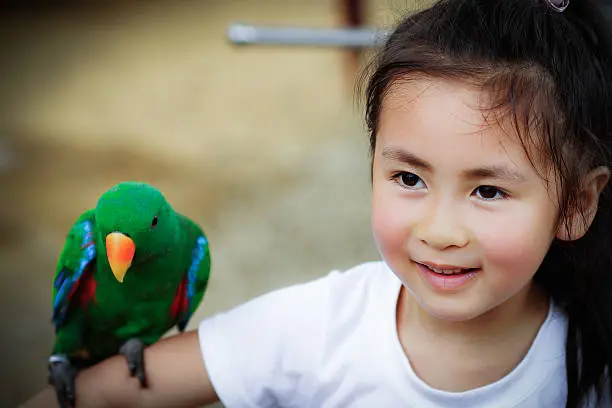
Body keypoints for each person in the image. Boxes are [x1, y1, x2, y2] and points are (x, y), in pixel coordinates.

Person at [21, 0, 612, 407]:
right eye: (409, 178)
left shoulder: (593, 352)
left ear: (577, 205)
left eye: (488, 190)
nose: (440, 229)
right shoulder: (314, 329)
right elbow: (97, 393)